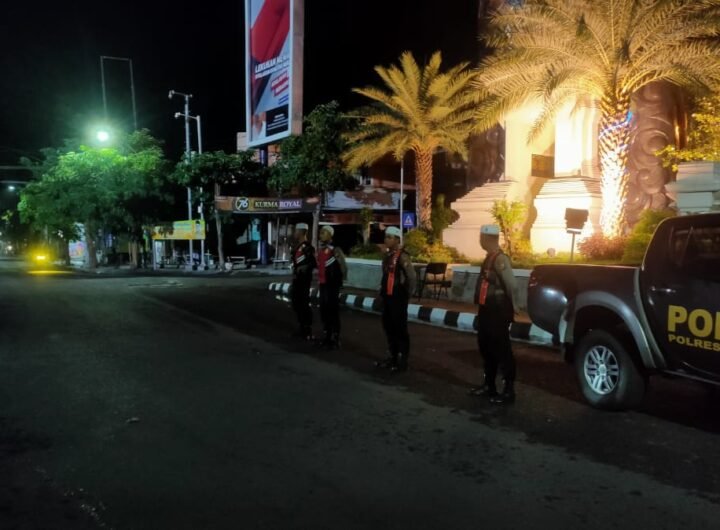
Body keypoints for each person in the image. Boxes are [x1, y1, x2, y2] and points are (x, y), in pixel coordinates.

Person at [469, 224, 522, 405]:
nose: (479, 240)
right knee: (486, 348)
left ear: (486, 239)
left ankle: (508, 391)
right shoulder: (489, 258)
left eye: (480, 237)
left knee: (502, 350)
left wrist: (515, 306)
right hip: (487, 310)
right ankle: (489, 385)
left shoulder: (500, 259)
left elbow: (512, 285)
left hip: (497, 312)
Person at [376, 226, 416, 373]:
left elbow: (411, 277)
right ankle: (392, 356)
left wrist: (406, 295)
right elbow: (385, 276)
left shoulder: (402, 256)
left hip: (398, 297)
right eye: (386, 237)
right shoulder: (387, 256)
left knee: (400, 329)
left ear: (397, 240)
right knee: (388, 326)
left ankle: (402, 360)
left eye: (389, 237)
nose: (386, 239)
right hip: (387, 296)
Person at [316, 225, 347, 349]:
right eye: (320, 233)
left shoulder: (335, 250)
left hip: (332, 285)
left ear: (330, 235)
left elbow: (343, 267)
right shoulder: (321, 250)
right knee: (324, 310)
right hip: (323, 284)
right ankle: (327, 336)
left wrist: (340, 282)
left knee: (332, 311)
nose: (321, 235)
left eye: (323, 233)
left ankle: (335, 338)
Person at [290, 223, 316, 340]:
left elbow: (312, 263)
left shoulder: (307, 247)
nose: (294, 233)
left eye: (296, 231)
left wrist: (304, 268)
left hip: (304, 280)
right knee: (297, 303)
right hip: (297, 279)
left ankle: (307, 329)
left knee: (303, 303)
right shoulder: (298, 246)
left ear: (301, 232)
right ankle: (302, 327)